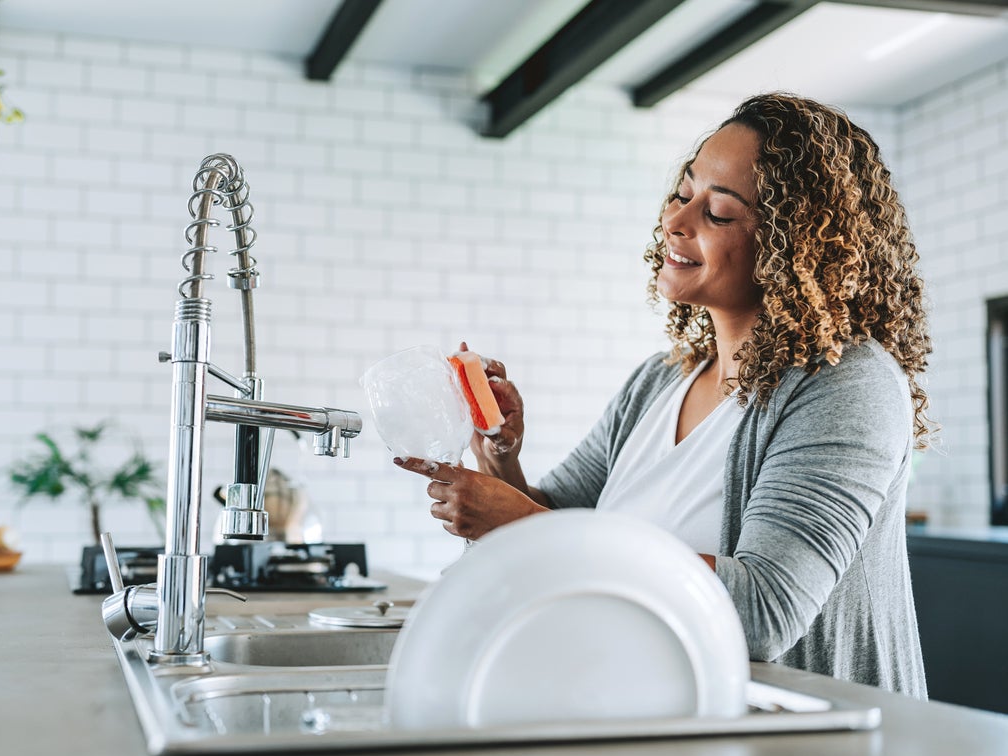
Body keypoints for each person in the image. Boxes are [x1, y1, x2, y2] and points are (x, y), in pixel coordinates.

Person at [395, 92, 932, 698]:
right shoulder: (660, 380)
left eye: (719, 213)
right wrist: (500, 454)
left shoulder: (847, 383)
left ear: (796, 247)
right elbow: (562, 516)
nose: (676, 223)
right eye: (683, 194)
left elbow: (765, 610)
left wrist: (519, 524)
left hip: (812, 752)